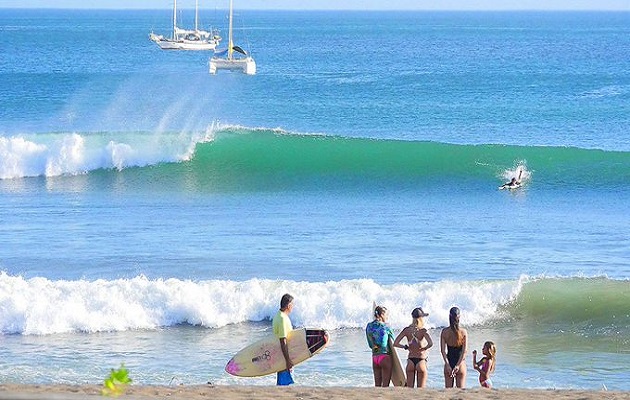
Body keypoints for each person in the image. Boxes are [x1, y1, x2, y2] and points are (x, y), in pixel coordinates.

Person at [393, 307, 433, 388]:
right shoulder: (423, 330)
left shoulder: (406, 330)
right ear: (421, 318)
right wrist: (424, 348)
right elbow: (430, 343)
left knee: (409, 390)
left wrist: (405, 347)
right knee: (420, 391)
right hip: (421, 361)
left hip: (410, 361)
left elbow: (395, 343)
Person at [366, 305, 395, 387]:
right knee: (385, 387)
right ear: (382, 315)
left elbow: (370, 344)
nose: (387, 317)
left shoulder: (369, 326)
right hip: (385, 357)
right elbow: (394, 341)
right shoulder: (386, 326)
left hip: (375, 358)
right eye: (386, 315)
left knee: (377, 386)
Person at [440, 306, 468, 388]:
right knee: (460, 393)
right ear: (459, 317)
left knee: (448, 392)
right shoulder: (463, 332)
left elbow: (443, 351)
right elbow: (464, 351)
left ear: (449, 317)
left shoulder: (444, 332)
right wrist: (458, 365)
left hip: (449, 362)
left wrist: (448, 365)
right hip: (460, 363)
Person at [272, 293, 295, 386]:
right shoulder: (282, 319)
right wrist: (288, 360)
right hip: (284, 356)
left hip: (281, 354)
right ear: (289, 305)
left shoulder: (278, 315)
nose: (293, 307)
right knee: (284, 385)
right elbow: (283, 340)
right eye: (293, 304)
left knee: (283, 384)